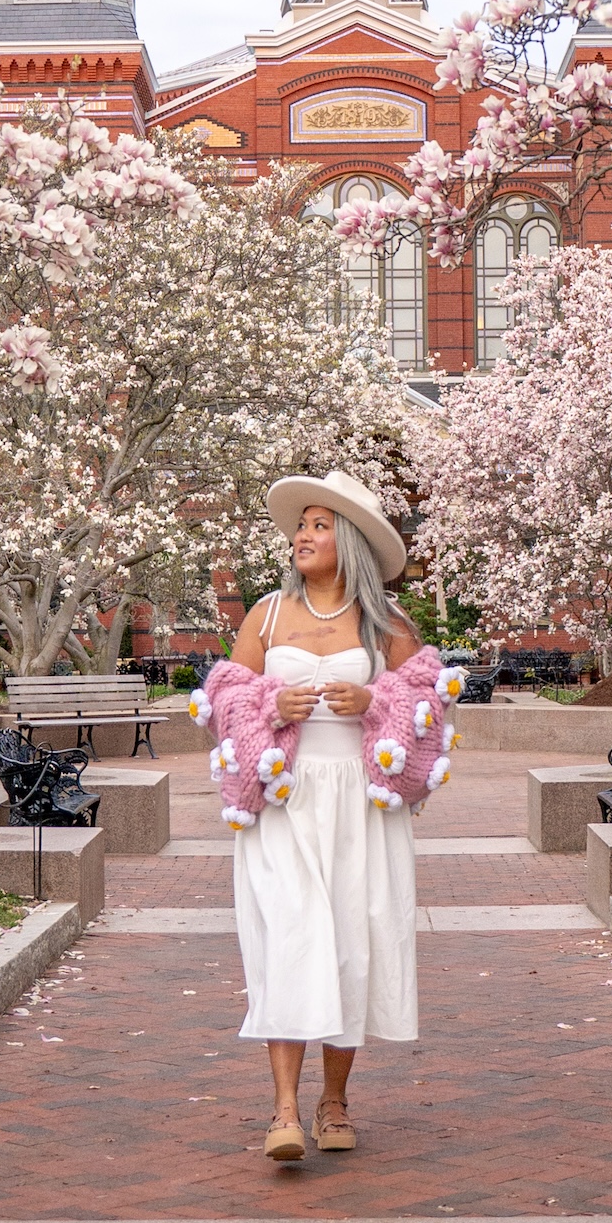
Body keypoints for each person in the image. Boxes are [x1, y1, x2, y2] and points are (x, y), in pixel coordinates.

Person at [227, 469, 422, 1163]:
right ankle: (282, 1110)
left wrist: (374, 706)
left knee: (348, 941)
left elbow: (429, 714)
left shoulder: (386, 625)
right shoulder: (266, 616)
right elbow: (226, 707)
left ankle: (334, 1101)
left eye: (318, 525)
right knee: (288, 939)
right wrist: (267, 711)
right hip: (284, 799)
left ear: (351, 541)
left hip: (359, 805)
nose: (302, 536)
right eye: (301, 525)